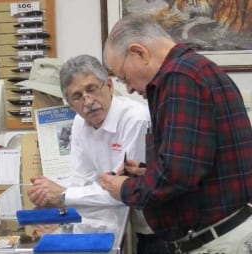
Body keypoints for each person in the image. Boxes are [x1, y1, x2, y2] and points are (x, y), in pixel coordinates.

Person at [101, 15, 252, 254]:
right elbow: (196, 162)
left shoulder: (179, 78)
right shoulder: (196, 70)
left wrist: (124, 188)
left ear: (139, 52)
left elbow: (177, 175)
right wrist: (146, 171)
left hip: (218, 242)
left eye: (123, 76)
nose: (128, 87)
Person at [27, 54, 166, 253]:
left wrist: (62, 194)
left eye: (92, 89)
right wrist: (47, 190)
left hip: (151, 227)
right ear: (70, 103)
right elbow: (81, 179)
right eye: (77, 96)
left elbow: (124, 190)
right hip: (110, 224)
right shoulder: (79, 122)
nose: (88, 101)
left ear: (109, 86)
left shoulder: (135, 119)